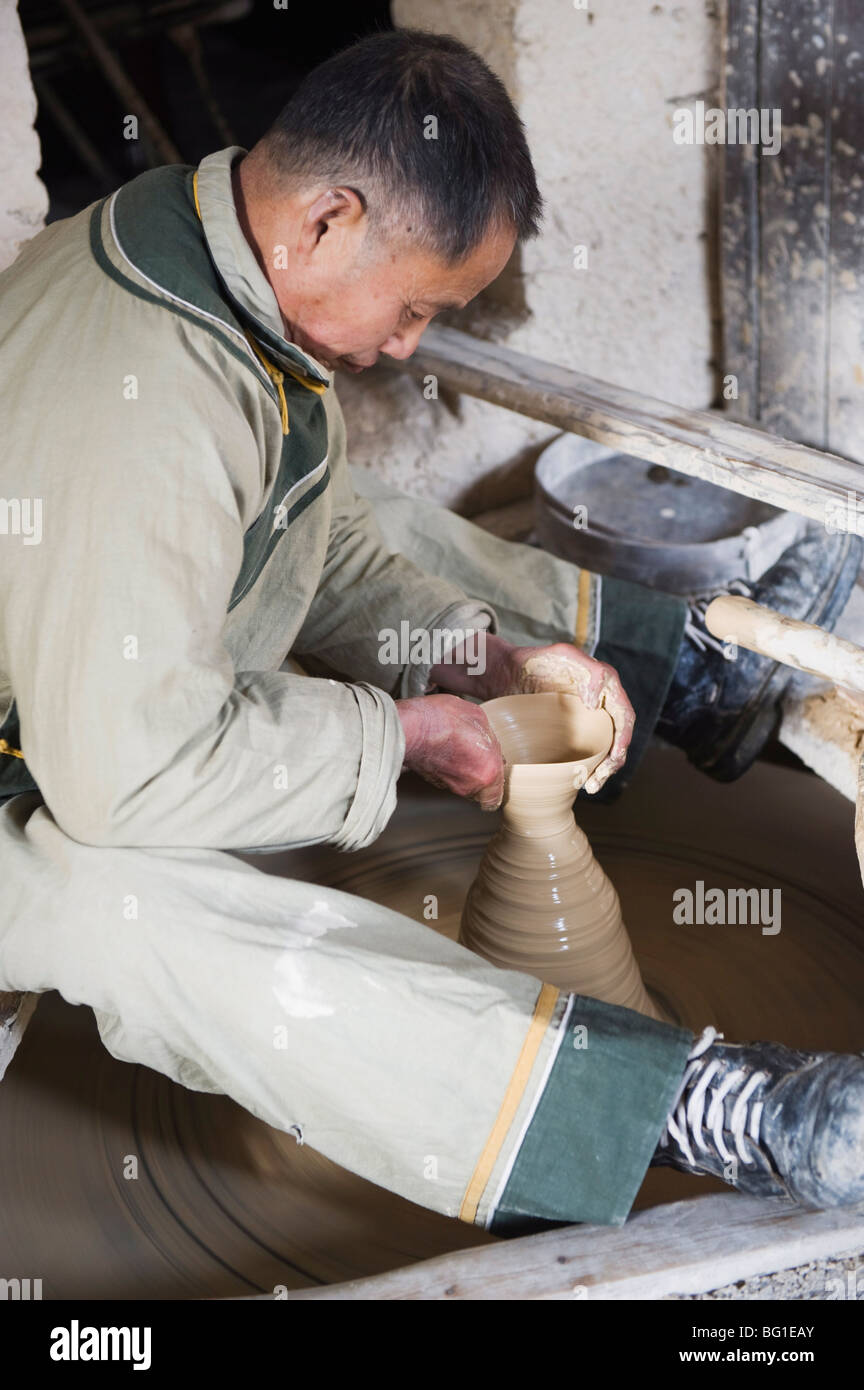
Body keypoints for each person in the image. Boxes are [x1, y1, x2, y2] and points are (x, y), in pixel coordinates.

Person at [0, 28, 861, 1241]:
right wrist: (402, 737)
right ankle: (701, 1107)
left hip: (68, 669)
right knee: (127, 900)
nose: (409, 346)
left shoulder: (202, 239)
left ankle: (706, 685)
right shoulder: (146, 405)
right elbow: (125, 778)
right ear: (327, 220)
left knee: (379, 514)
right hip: (36, 768)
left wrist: (487, 661)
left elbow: (325, 544)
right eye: (413, 307)